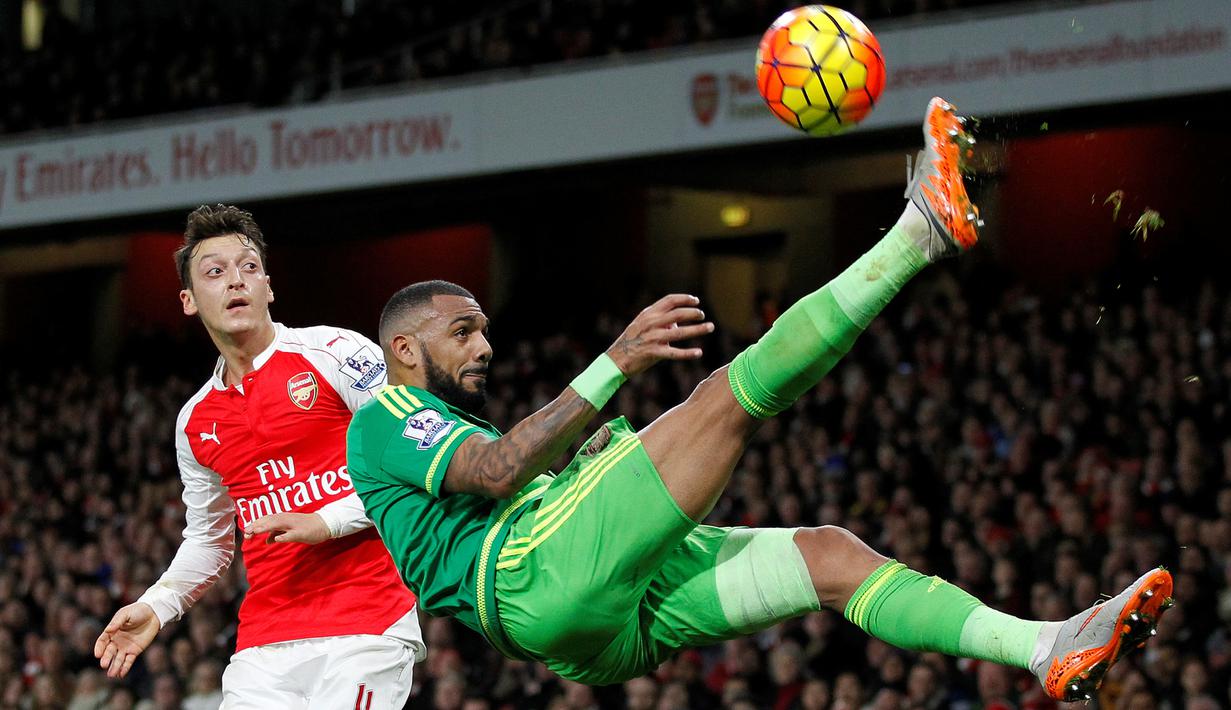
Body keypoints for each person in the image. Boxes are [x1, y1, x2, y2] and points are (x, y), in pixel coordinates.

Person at [347, 98, 1173, 701]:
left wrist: (572, 474)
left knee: (828, 558)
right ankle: (921, 227)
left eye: (484, 328)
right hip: (535, 577)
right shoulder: (382, 417)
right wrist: (614, 361)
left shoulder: (441, 425)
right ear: (404, 348)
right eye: (463, 331)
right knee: (725, 399)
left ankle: (1046, 647)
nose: (483, 345)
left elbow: (495, 482)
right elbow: (494, 472)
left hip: (592, 627)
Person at [93, 205, 424, 708]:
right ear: (188, 300)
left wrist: (326, 520)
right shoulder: (195, 422)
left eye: (249, 267)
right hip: (263, 646)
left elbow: (410, 462)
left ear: (268, 287)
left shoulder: (336, 353)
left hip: (366, 624)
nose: (235, 282)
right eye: (215, 272)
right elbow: (210, 540)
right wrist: (157, 605)